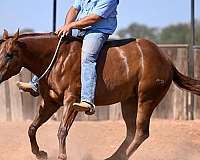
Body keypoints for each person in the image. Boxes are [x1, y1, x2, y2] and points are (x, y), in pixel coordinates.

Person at [17, 0, 119, 115]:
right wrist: (67, 26)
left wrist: (71, 25)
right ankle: (34, 84)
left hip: (97, 31)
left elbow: (94, 18)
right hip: (80, 29)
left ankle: (87, 101)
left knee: (88, 57)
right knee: (55, 44)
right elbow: (74, 9)